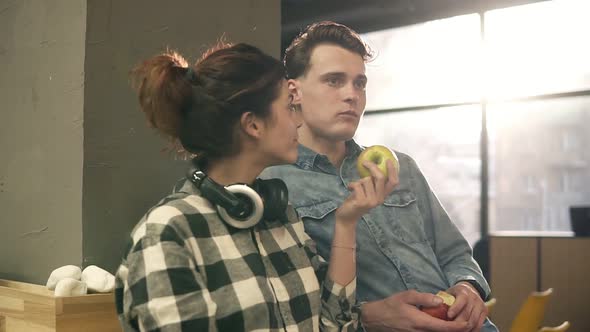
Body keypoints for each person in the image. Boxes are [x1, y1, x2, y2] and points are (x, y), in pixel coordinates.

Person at [114, 41, 400, 331]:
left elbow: (335, 325)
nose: (298, 122)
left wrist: (346, 222)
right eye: (289, 108)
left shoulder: (280, 216)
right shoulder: (167, 234)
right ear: (253, 125)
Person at [261, 21, 498, 332]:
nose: (351, 95)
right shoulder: (271, 186)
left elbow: (455, 253)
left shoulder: (401, 166)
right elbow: (289, 304)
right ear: (294, 92)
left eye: (359, 84)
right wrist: (370, 316)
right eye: (334, 81)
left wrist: (467, 287)